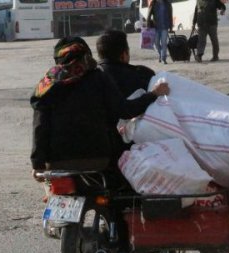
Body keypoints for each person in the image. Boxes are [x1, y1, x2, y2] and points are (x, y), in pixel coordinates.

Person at [30, 36, 169, 183]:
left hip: (57, 163)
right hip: (97, 159)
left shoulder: (47, 85)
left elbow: (40, 126)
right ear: (86, 54)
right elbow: (125, 110)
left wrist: (37, 164)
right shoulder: (98, 77)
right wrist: (153, 94)